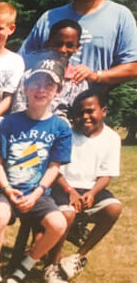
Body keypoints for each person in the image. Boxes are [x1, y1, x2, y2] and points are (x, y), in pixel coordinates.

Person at [0, 56, 72, 283]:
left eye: (48, 85)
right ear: (25, 88)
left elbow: (54, 166)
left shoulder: (61, 127)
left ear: (58, 91)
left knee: (58, 224)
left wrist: (36, 194)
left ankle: (27, 264)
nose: (41, 90)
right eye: (35, 83)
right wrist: (7, 188)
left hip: (37, 191)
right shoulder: (9, 123)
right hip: (7, 188)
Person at [19, 0, 137, 89]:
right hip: (45, 108)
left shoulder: (120, 16)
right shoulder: (49, 17)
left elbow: (132, 67)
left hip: (88, 109)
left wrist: (96, 75)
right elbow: (21, 61)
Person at [43, 90, 122, 283]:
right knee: (67, 214)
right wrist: (70, 191)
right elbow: (54, 168)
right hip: (63, 186)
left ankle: (77, 257)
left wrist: (93, 193)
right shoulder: (66, 133)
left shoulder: (112, 138)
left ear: (103, 111)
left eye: (90, 111)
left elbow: (106, 174)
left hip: (91, 187)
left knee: (114, 208)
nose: (84, 117)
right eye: (79, 113)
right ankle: (52, 265)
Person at [12, 19, 88, 120]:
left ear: (77, 47)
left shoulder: (78, 82)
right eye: (58, 44)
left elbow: (80, 117)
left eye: (69, 45)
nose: (63, 49)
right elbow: (18, 112)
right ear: (48, 44)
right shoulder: (29, 76)